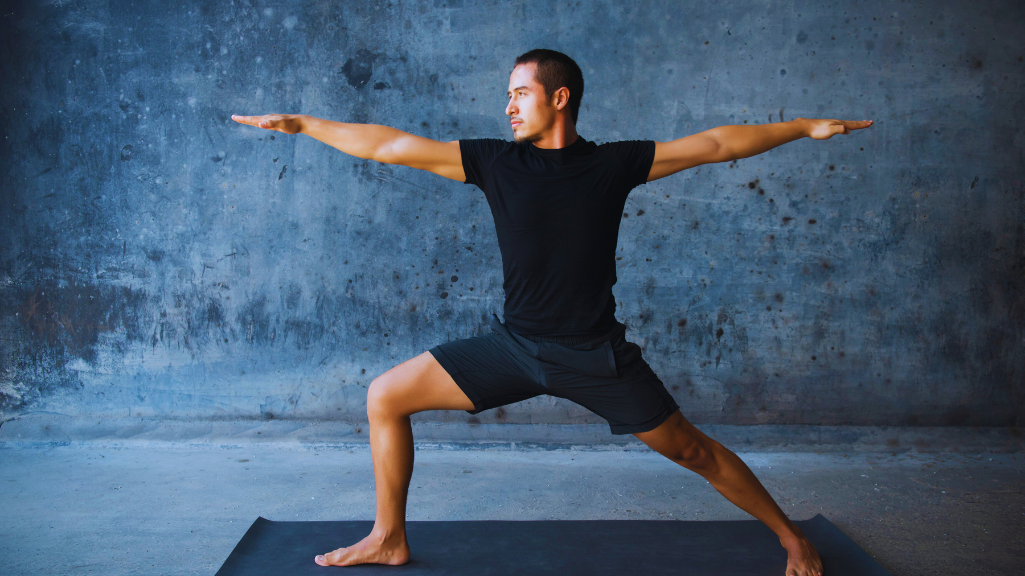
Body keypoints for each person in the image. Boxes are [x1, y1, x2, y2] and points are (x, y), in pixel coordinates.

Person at [233, 48, 871, 576]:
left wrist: (804, 127)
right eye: (506, 95)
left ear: (559, 98)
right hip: (514, 347)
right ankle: (388, 537)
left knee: (693, 453)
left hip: (593, 355)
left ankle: (790, 537)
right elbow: (393, 145)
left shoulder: (612, 164)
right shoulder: (494, 162)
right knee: (385, 396)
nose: (507, 105)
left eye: (519, 93)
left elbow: (715, 143)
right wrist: (305, 124)